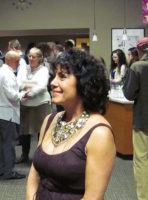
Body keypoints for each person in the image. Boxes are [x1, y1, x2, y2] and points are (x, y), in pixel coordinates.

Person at [26, 49, 116, 199]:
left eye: (62, 76)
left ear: (83, 83)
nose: (53, 82)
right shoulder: (50, 120)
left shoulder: (99, 133)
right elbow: (34, 174)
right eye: (55, 75)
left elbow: (93, 197)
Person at [0, 50, 27, 180]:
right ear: (12, 61)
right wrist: (23, 94)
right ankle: (9, 172)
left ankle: (1, 169)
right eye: (17, 61)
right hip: (7, 113)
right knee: (9, 143)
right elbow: (12, 96)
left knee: (0, 143)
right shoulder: (8, 74)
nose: (18, 63)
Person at [16, 47, 51, 164]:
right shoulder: (23, 67)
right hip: (26, 104)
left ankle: (42, 157)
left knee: (42, 132)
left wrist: (28, 91)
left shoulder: (43, 70)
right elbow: (19, 84)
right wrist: (30, 86)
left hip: (41, 104)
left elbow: (42, 87)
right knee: (24, 132)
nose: (30, 58)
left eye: (33, 57)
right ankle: (24, 156)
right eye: (29, 56)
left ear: (39, 58)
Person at [123, 37, 148, 200]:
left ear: (139, 50)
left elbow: (129, 94)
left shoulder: (138, 67)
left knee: (142, 160)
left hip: (143, 121)